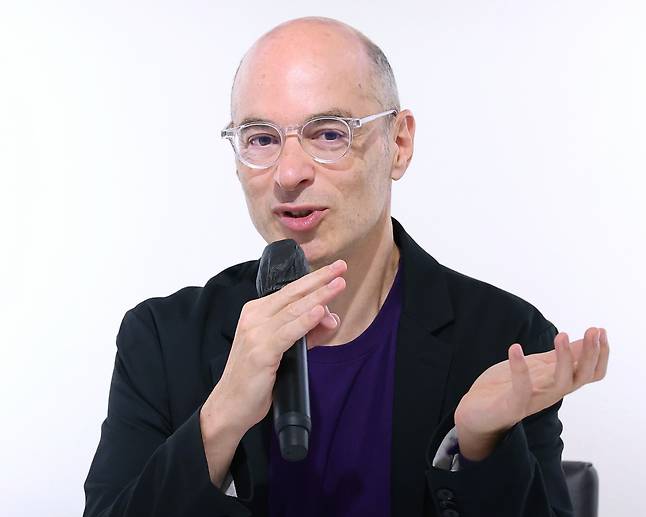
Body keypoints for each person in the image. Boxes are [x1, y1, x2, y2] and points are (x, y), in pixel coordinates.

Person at [83, 17, 609, 517]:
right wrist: (219, 418)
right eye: (261, 139)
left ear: (398, 144)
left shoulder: (503, 338)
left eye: (329, 133)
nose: (289, 173)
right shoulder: (160, 339)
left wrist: (479, 445)